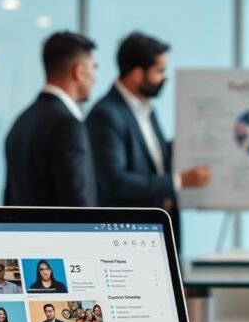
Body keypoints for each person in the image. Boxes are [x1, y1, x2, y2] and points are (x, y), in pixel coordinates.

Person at [86, 32, 212, 243]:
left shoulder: (147, 109)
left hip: (163, 229)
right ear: (137, 74)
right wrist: (180, 180)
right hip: (130, 237)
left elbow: (148, 162)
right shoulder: (106, 114)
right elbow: (116, 181)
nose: (164, 78)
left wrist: (170, 150)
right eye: (159, 71)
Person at [5, 32, 99, 207]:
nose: (96, 78)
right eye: (94, 67)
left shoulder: (21, 121)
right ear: (78, 71)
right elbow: (79, 206)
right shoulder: (67, 125)